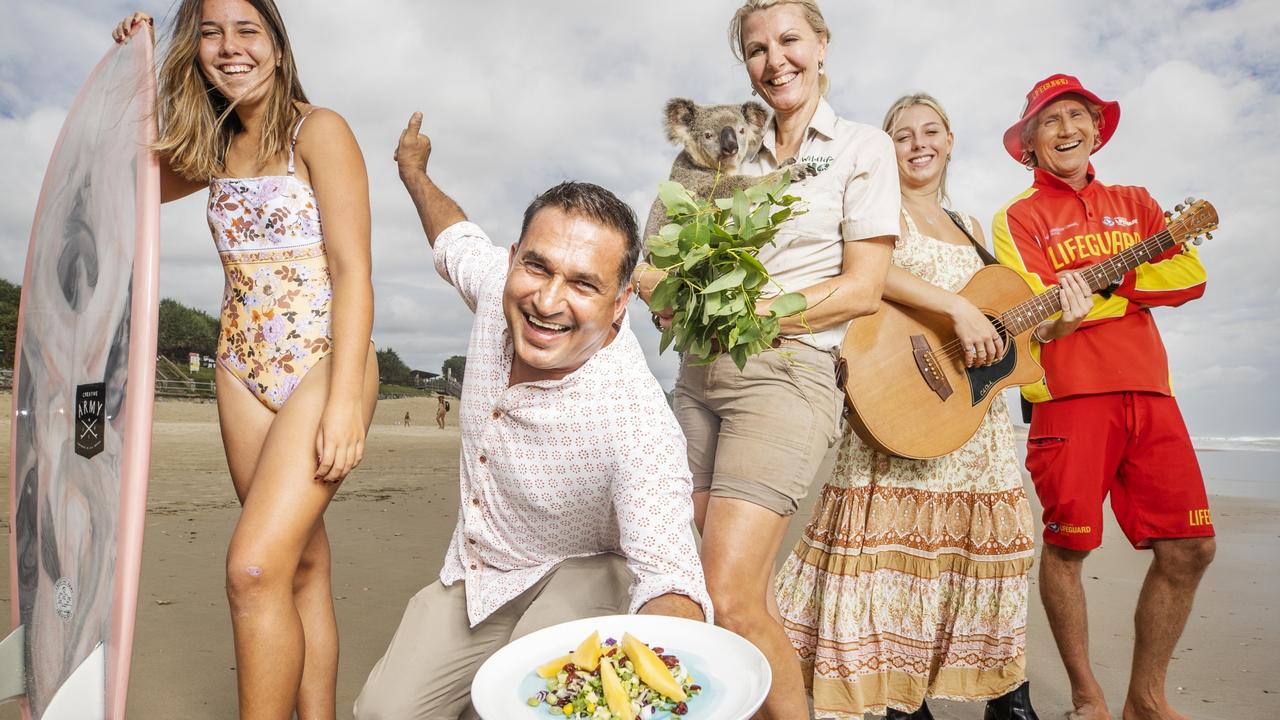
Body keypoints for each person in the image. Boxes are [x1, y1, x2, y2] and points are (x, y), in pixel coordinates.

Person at [354, 113, 713, 720]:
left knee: (524, 707)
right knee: (380, 714)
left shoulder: (636, 420)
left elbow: (670, 574)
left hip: (589, 578)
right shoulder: (499, 284)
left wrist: (666, 658)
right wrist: (414, 171)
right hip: (481, 573)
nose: (547, 301)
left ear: (622, 302)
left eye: (583, 284)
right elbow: (452, 236)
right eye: (538, 267)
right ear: (516, 257)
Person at [113, 3, 377, 719]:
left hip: (324, 361)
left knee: (252, 569)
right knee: (301, 565)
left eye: (247, 30)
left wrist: (348, 396)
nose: (229, 48)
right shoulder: (210, 147)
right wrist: (130, 69)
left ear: (277, 44)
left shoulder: (318, 131)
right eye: (210, 33)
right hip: (242, 367)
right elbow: (122, 174)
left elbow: (354, 272)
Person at [632, 1, 897, 716]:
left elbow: (863, 289)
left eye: (789, 41)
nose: (775, 58)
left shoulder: (860, 148)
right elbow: (654, 259)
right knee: (693, 577)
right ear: (745, 69)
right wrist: (663, 293)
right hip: (695, 376)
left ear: (820, 45)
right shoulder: (718, 153)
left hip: (786, 370)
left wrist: (752, 313)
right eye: (757, 48)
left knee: (731, 591)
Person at [773, 93, 1040, 720]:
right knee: (889, 566)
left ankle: (997, 693)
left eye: (931, 131)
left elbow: (1007, 326)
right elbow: (864, 275)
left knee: (972, 556)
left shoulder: (974, 230)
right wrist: (956, 307)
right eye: (901, 135)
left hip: (974, 424)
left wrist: (1057, 319)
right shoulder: (875, 206)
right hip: (896, 403)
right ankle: (895, 698)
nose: (918, 143)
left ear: (950, 140)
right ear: (884, 148)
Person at [992, 73, 1213, 720]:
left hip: (1151, 389)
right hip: (1068, 397)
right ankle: (1088, 694)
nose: (1067, 129)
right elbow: (1035, 306)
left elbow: (1189, 274)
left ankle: (1146, 699)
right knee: (1069, 548)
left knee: (1191, 548)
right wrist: (1097, 294)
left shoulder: (1138, 202)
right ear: (1030, 143)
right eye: (1050, 121)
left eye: (1078, 116)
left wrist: (1108, 289)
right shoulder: (1017, 216)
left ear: (1096, 128)